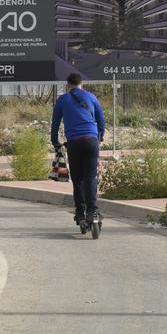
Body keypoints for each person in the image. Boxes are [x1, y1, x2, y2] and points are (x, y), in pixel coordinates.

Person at [50, 71, 106, 225]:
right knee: (90, 176)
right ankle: (93, 211)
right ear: (82, 84)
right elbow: (101, 120)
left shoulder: (62, 100)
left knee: (78, 179)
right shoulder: (91, 97)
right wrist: (99, 138)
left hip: (74, 143)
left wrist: (55, 141)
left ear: (68, 86)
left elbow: (55, 124)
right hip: (91, 141)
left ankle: (80, 213)